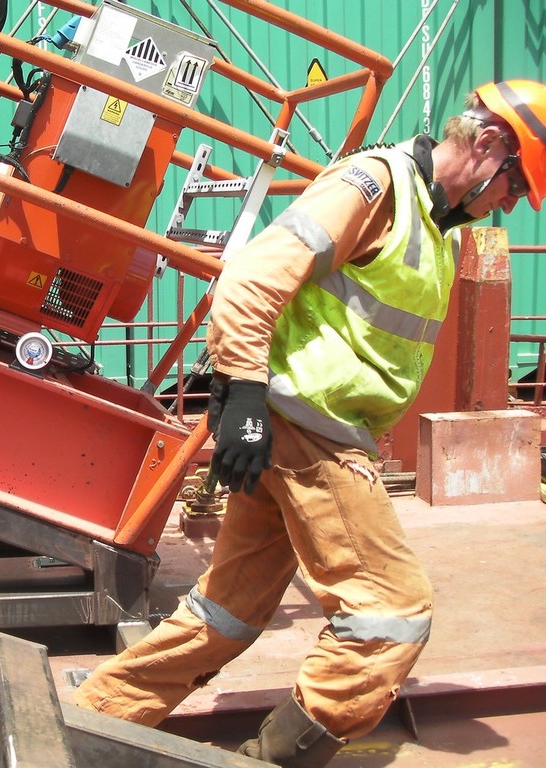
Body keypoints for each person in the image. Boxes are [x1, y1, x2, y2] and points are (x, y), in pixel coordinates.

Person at [74, 79, 546, 767]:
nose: (512, 204)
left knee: (227, 612)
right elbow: (252, 278)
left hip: (309, 426)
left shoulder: (433, 226)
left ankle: (88, 716)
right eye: (516, 184)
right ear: (489, 145)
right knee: (391, 616)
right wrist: (237, 396)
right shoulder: (377, 185)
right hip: (311, 429)